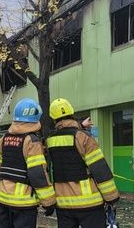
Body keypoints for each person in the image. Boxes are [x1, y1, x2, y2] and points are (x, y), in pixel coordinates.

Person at [46, 98, 120, 228]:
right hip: (89, 204)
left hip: (63, 205)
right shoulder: (83, 137)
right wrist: (112, 198)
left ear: (53, 118)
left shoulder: (49, 141)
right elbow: (100, 169)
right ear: (72, 113)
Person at [0, 98, 56, 228]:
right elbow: (37, 174)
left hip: (3, 198)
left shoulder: (3, 139)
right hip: (23, 203)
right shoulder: (32, 141)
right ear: (35, 118)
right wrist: (48, 202)